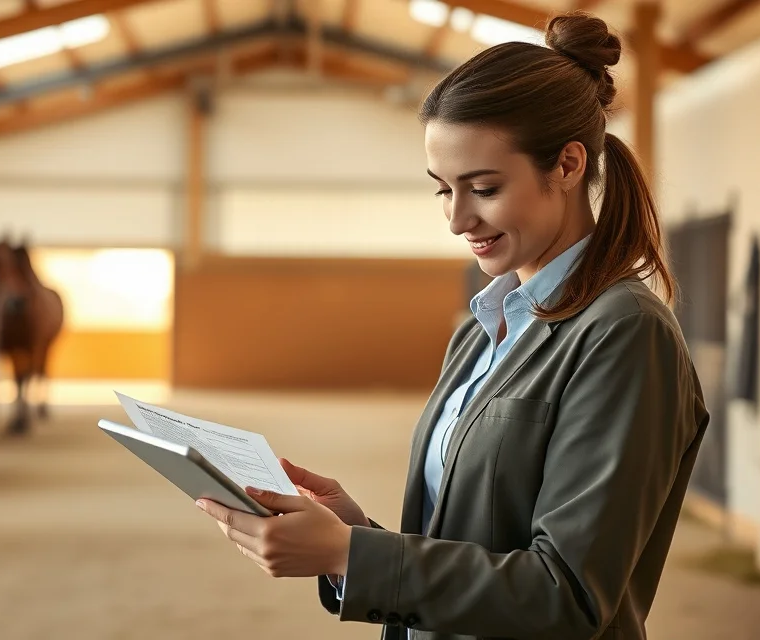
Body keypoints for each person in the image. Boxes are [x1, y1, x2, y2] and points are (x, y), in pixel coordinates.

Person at [195, 11, 708, 640]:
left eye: (484, 187)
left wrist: (349, 557)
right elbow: (473, 544)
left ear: (569, 165)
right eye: (442, 190)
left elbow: (567, 597)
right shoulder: (482, 330)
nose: (458, 218)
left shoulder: (623, 333)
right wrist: (354, 536)